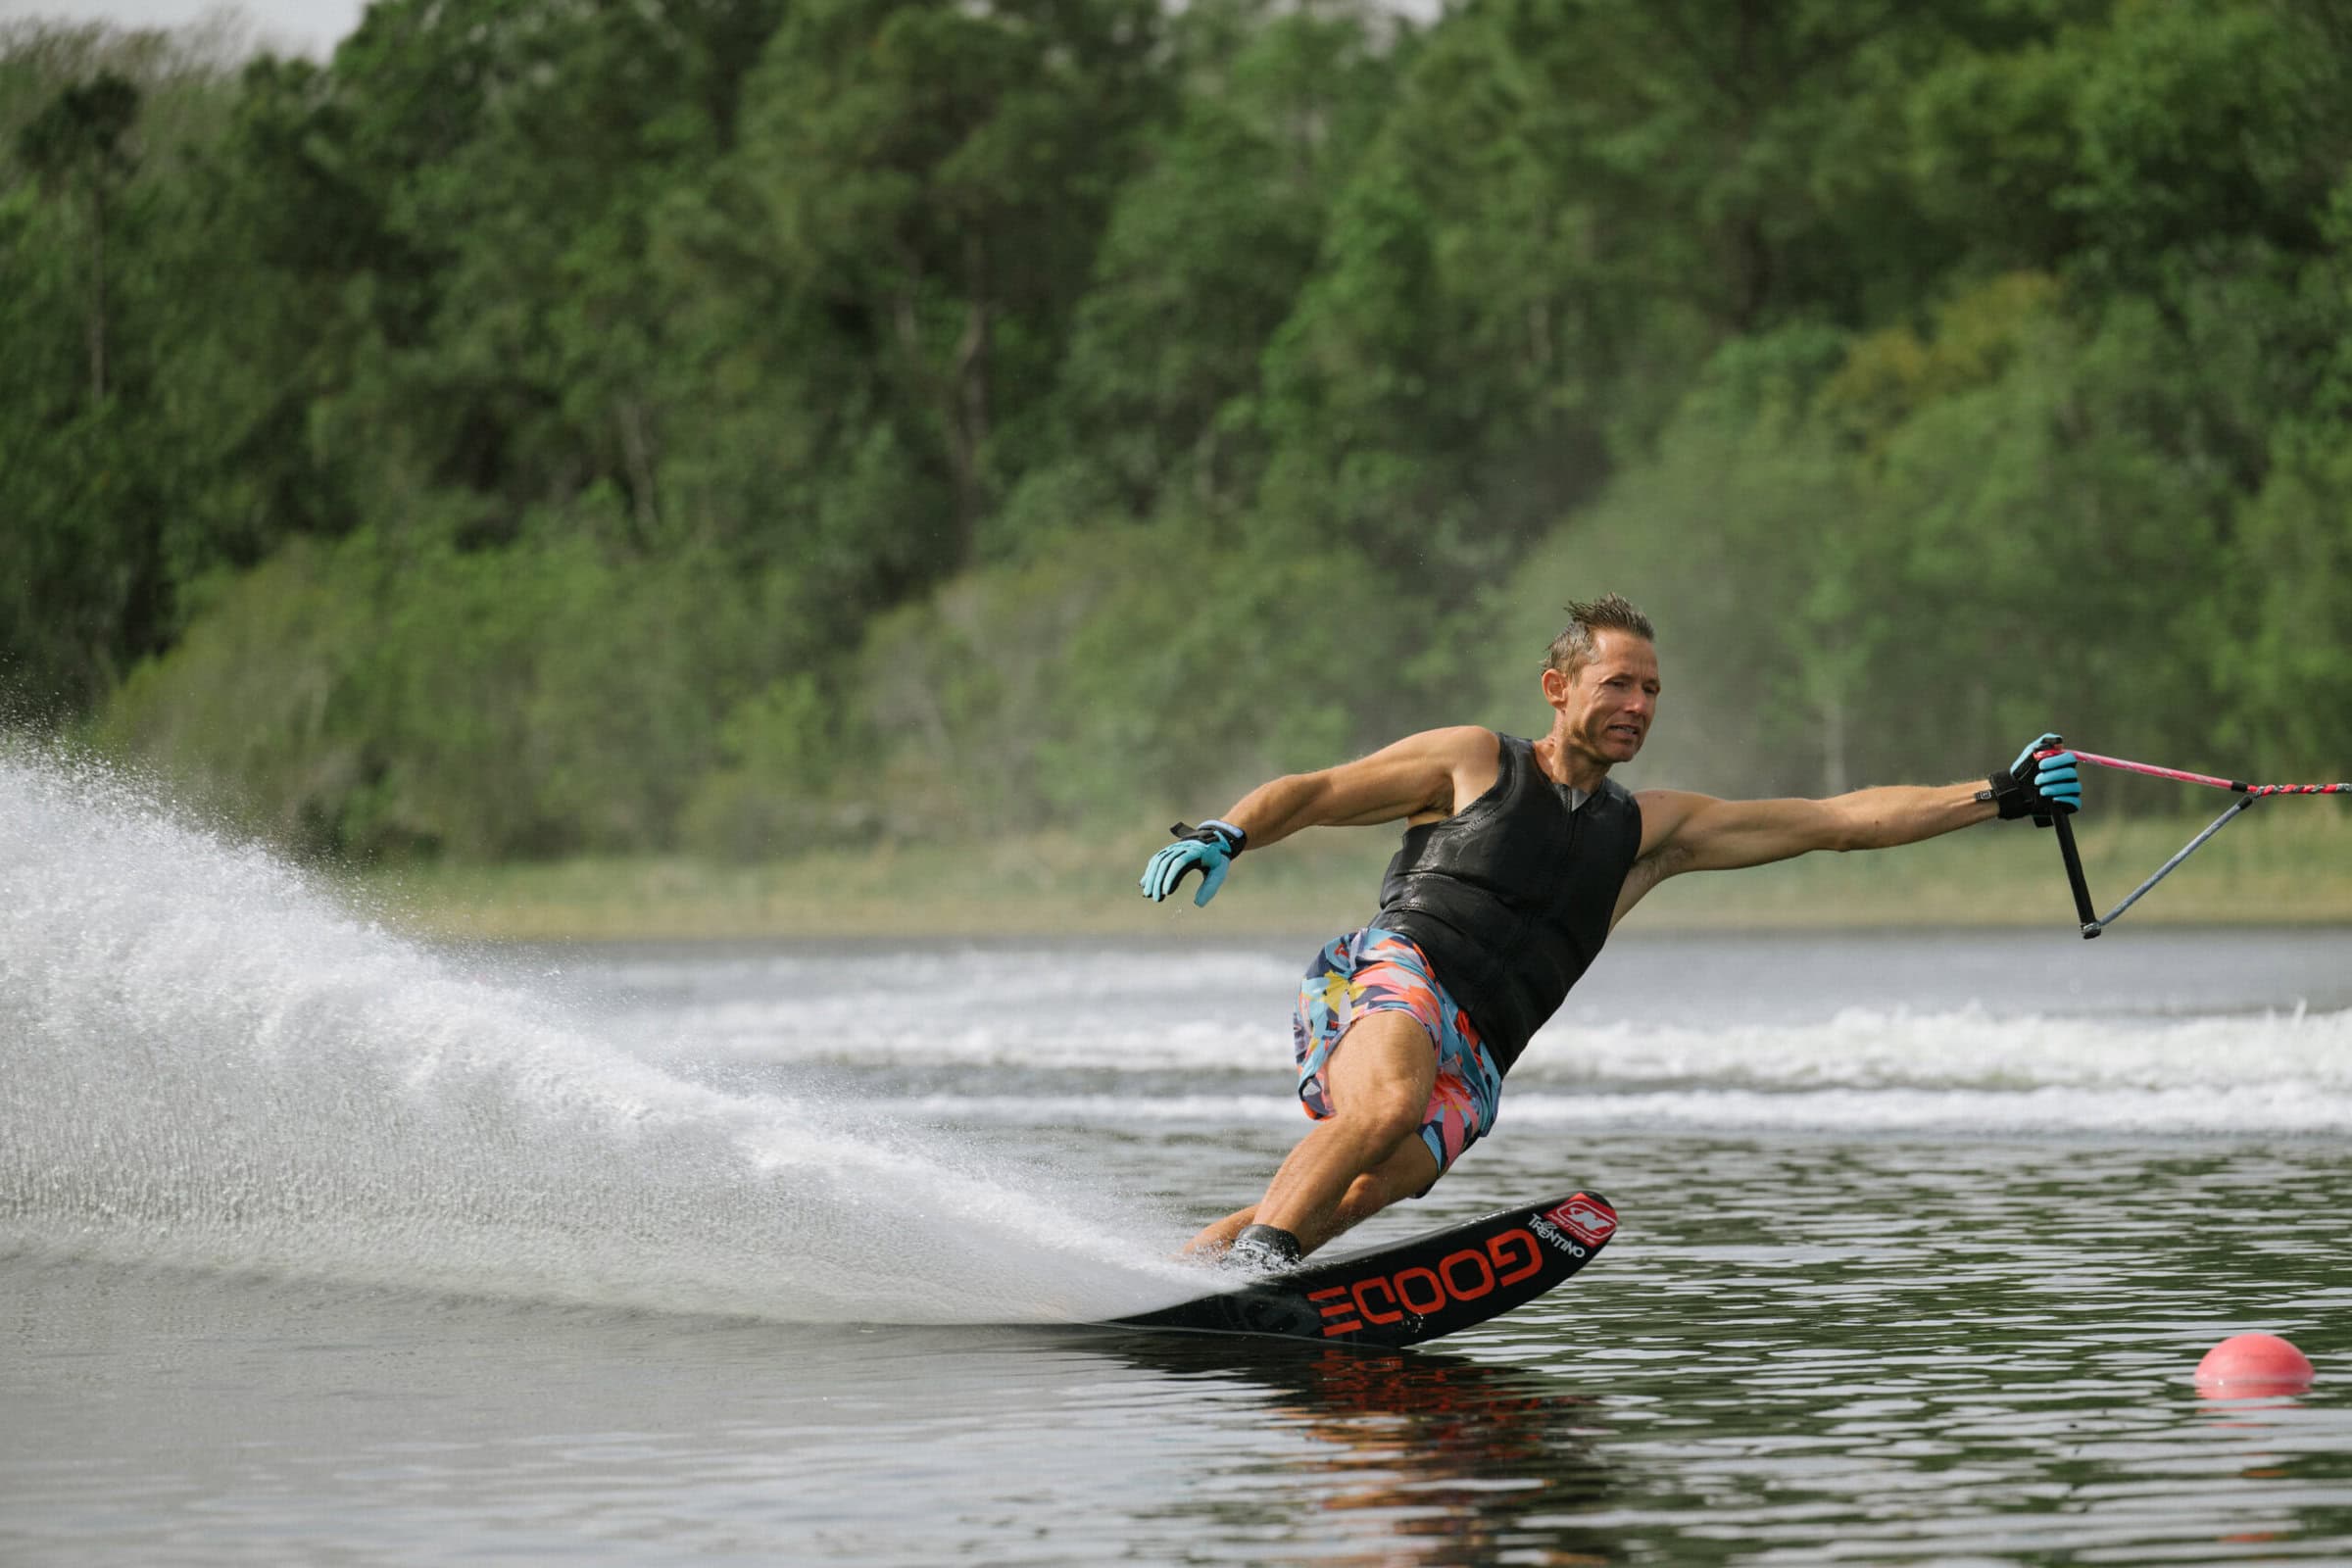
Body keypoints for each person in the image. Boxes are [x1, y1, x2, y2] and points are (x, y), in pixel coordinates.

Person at [1138, 594, 2082, 1270]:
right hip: (1396, 974)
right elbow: (1320, 790)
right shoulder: (1475, 762)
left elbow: (1838, 820)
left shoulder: (1650, 832)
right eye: (1619, 683)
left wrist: (1996, 796)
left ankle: (1198, 1278)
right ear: (1557, 684)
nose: (1638, 705)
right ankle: (1267, 1265)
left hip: (1485, 1046)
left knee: (1375, 1183)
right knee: (1384, 1106)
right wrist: (1231, 831)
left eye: (1654, 691)